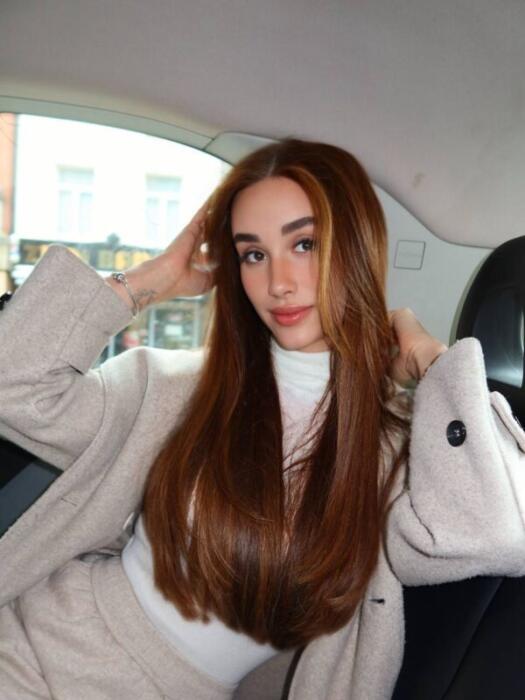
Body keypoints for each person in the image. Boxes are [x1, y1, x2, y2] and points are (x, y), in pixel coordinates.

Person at [0, 138, 524, 700]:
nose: (278, 282)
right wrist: (154, 279)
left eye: (304, 244)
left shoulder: (392, 449)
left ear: (355, 248)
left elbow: (498, 536)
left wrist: (433, 364)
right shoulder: (181, 387)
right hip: (34, 644)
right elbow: (16, 388)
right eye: (253, 254)